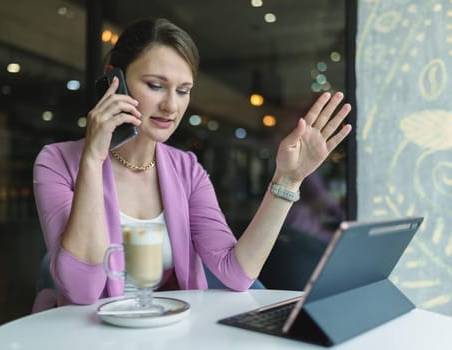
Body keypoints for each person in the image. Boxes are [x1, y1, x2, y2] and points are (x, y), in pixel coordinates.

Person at [32, 17, 352, 312]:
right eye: (155, 86)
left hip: (170, 332)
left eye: (183, 91)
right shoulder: (57, 162)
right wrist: (92, 158)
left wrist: (288, 179)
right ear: (114, 81)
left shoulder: (187, 169)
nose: (171, 105)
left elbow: (236, 272)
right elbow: (81, 291)